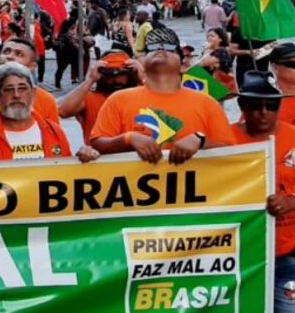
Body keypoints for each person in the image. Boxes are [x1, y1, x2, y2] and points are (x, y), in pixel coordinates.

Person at [90, 27, 237, 164]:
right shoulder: (118, 99)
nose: (160, 49)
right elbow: (97, 144)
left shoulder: (207, 103)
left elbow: (232, 152)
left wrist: (201, 140)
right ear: (143, 61)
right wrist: (128, 138)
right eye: (152, 47)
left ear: (182, 64)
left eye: (169, 47)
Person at [222, 71, 295, 311]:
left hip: (286, 254)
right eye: (256, 105)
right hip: (236, 255)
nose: (264, 112)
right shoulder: (224, 140)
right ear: (242, 105)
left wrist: (291, 202)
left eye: (271, 105)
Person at [0, 63, 99, 166]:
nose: (17, 95)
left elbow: (66, 174)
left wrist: (85, 158)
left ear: (33, 94)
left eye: (23, 88)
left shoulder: (54, 132)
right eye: (9, 90)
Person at [58, 50, 142, 143]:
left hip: (136, 155)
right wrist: (89, 80)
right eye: (109, 76)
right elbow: (62, 111)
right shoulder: (89, 96)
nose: (116, 80)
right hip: (99, 155)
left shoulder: (141, 93)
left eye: (121, 75)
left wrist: (143, 79)